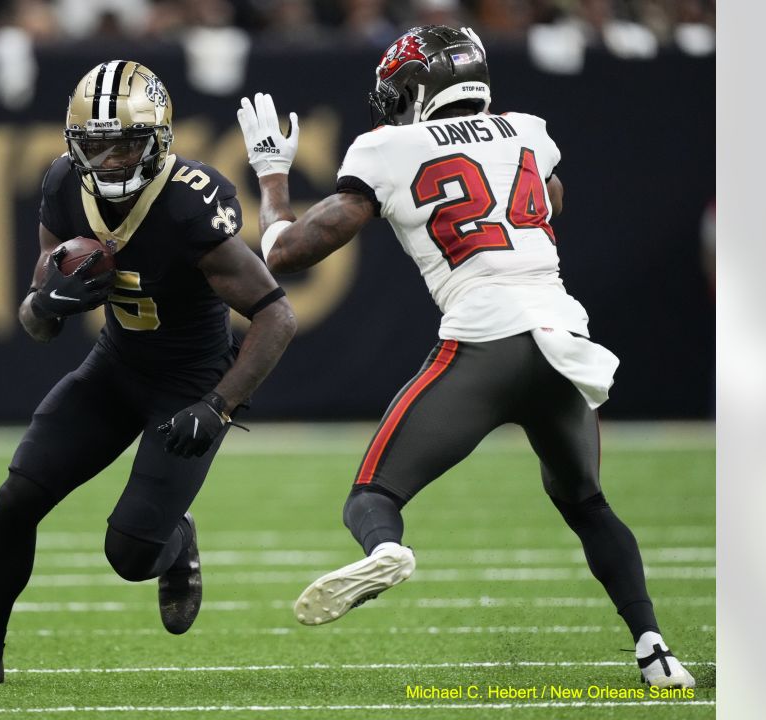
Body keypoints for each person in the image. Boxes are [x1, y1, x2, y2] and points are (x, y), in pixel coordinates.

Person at [235, 25, 694, 689]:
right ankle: (655, 650)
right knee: (589, 503)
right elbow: (550, 200)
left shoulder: (388, 147)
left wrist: (273, 177)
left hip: (486, 341)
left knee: (372, 495)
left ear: (420, 91)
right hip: (564, 340)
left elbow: (287, 253)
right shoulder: (527, 131)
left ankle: (387, 551)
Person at [0, 59, 297, 685]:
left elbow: (276, 317)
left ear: (159, 138)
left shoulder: (191, 202)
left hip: (190, 383)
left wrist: (219, 405)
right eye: (95, 144)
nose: (110, 160)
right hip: (115, 368)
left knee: (130, 555)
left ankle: (173, 543)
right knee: (17, 498)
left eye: (126, 143)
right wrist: (45, 303)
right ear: (73, 145)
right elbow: (37, 320)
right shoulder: (62, 183)